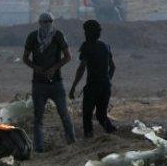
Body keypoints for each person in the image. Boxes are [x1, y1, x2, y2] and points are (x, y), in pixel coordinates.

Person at [23, 12, 75, 152]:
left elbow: (68, 56)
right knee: (38, 117)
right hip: (39, 83)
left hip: (56, 82)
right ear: (40, 23)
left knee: (64, 114)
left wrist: (54, 68)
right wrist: (36, 68)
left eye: (50, 21)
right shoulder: (33, 37)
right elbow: (25, 58)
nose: (47, 24)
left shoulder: (57, 36)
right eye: (45, 22)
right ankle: (39, 147)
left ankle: (72, 142)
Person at [68, 19, 117, 137]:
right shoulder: (105, 46)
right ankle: (113, 133)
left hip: (92, 87)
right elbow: (113, 67)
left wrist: (73, 87)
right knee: (101, 115)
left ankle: (89, 138)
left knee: (87, 115)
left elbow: (81, 68)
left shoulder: (86, 47)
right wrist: (107, 81)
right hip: (105, 86)